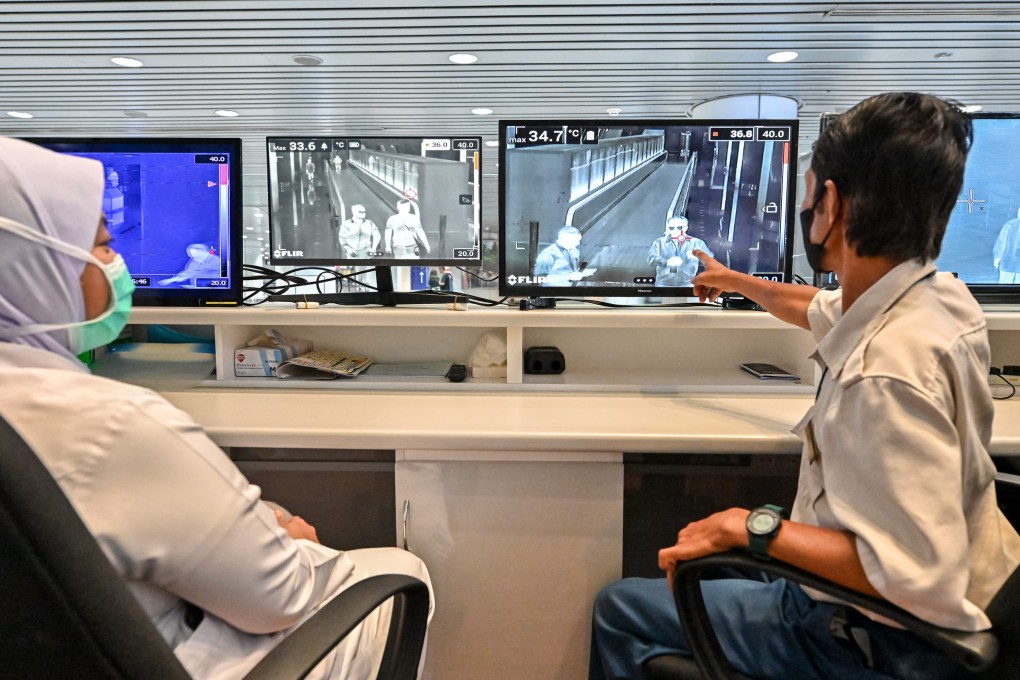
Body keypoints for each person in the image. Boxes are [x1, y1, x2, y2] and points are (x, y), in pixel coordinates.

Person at [589, 93, 1020, 680]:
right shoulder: (934, 299)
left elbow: (916, 574)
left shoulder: (883, 372)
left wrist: (752, 526)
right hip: (977, 575)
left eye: (810, 189)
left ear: (832, 204)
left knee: (621, 608)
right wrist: (735, 279)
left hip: (868, 639)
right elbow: (817, 305)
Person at [0, 136, 434, 680]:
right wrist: (295, 545)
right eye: (105, 247)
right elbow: (279, 599)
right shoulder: (116, 425)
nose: (119, 264)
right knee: (400, 568)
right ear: (41, 268)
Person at [646, 216, 713, 287]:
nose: (675, 230)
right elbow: (651, 259)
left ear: (686, 228)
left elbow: (709, 258)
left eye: (679, 228)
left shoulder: (697, 243)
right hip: (663, 284)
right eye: (671, 228)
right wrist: (667, 262)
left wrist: (697, 256)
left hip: (687, 284)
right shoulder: (659, 242)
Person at [157, 242, 221, 286]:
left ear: (205, 252)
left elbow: (220, 281)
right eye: (192, 257)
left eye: (197, 256)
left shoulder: (218, 262)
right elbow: (187, 273)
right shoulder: (194, 261)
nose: (194, 259)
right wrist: (170, 280)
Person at [993, 207, 1020, 283]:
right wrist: (998, 257)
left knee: (1005, 287)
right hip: (1008, 262)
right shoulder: (1010, 225)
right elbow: (1001, 242)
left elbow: (1001, 243)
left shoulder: (1009, 224)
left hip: (1008, 263)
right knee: (1005, 286)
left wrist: (998, 257)